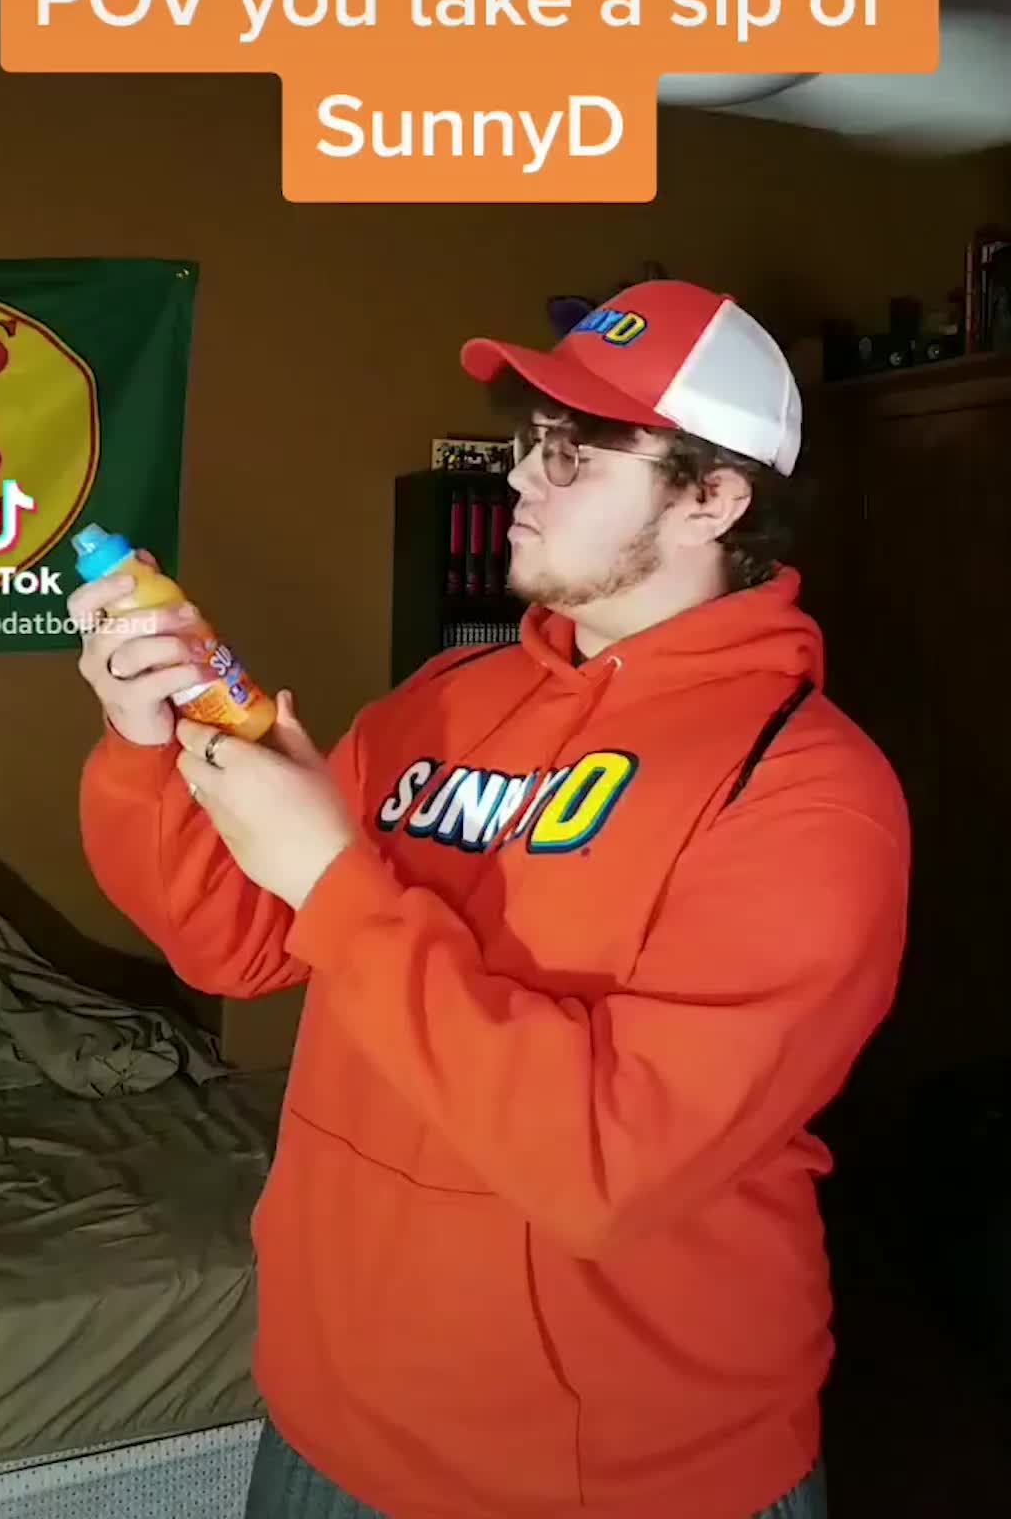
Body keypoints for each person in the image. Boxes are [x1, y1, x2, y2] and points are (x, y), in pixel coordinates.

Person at [71, 278, 910, 1519]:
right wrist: (144, 746)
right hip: (327, 1414)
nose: (520, 475)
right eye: (532, 440)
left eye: (574, 452)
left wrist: (334, 879)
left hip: (614, 1478)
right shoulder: (445, 698)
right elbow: (235, 945)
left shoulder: (807, 791)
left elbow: (609, 1164)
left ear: (715, 499)